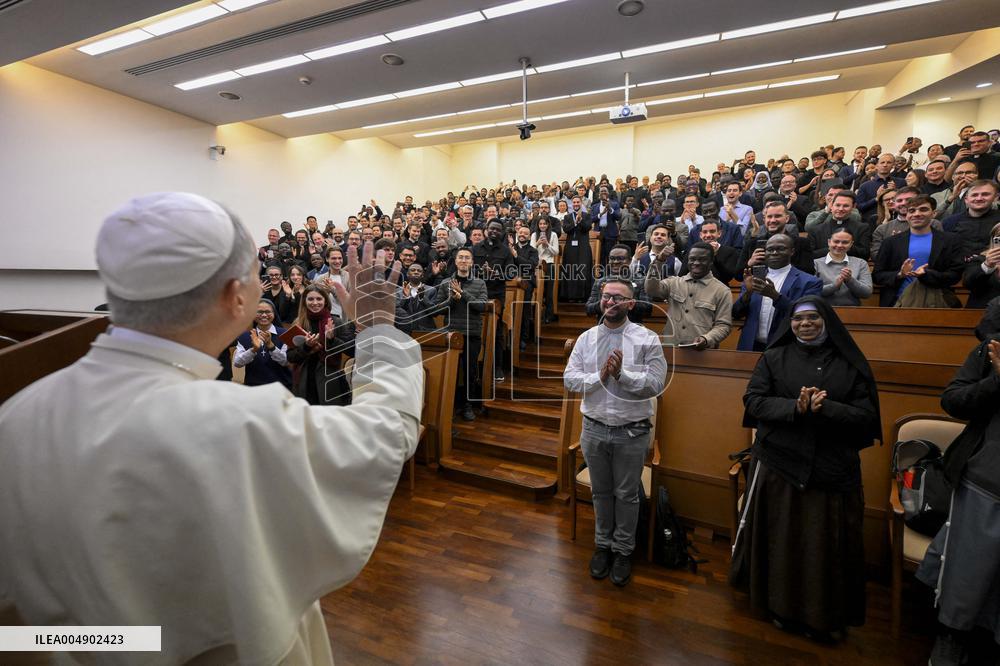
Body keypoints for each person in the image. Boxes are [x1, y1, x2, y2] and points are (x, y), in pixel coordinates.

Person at [0, 192, 421, 665]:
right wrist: (379, 325)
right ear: (235, 295)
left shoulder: (14, 417)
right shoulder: (242, 421)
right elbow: (388, 430)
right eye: (259, 277)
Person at [733, 296, 880, 641]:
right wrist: (795, 408)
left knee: (823, 545)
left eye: (813, 318)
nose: (805, 324)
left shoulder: (849, 363)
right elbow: (753, 401)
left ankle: (824, 617)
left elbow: (866, 416)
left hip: (831, 467)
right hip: (779, 463)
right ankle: (779, 607)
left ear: (826, 321)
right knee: (781, 540)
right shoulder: (773, 357)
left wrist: (825, 408)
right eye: (799, 319)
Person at [563, 278, 667, 587]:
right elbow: (570, 380)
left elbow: (656, 384)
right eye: (607, 297)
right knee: (601, 493)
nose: (611, 302)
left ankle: (623, 550)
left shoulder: (647, 339)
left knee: (626, 496)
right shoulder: (586, 338)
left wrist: (622, 375)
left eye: (618, 298)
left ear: (630, 304)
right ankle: (602, 546)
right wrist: (601, 375)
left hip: (631, 432)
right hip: (594, 429)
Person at [916, 301, 1000, 665]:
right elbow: (954, 400)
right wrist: (998, 380)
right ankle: (952, 639)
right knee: (966, 580)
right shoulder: (992, 350)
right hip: (988, 480)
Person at [732, 234, 823, 351]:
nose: (774, 252)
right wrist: (748, 294)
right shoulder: (753, 278)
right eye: (770, 249)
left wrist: (774, 296)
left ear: (792, 251)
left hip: (786, 347)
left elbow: (806, 317)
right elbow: (736, 314)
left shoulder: (810, 282)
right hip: (751, 345)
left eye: (781, 248)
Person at [872, 195, 964, 307]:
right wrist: (900, 274)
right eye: (911, 211)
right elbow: (877, 276)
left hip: (939, 301)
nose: (917, 214)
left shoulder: (951, 240)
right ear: (907, 216)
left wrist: (927, 274)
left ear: (933, 214)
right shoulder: (890, 242)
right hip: (897, 303)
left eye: (923, 209)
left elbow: (955, 275)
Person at [432, 247, 488, 421]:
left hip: (471, 334)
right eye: (461, 258)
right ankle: (451, 405)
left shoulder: (479, 283)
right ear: (455, 262)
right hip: (452, 334)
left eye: (467, 258)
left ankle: (467, 405)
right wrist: (451, 300)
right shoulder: (445, 282)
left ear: (471, 262)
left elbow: (482, 306)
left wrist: (462, 293)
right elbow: (437, 310)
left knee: (470, 372)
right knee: (451, 372)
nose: (464, 261)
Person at [644, 242, 733, 348]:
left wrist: (707, 339)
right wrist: (659, 261)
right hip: (671, 350)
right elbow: (651, 290)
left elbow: (724, 325)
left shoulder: (722, 291)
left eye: (702, 259)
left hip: (702, 354)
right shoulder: (674, 283)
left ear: (711, 262)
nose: (696, 262)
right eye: (692, 259)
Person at [286, 285, 356, 406]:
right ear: (304, 301)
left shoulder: (336, 322)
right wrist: (306, 347)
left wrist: (332, 339)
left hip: (331, 382)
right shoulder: (298, 323)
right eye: (310, 299)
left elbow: (351, 351)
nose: (315, 303)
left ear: (325, 301)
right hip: (304, 382)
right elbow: (290, 357)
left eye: (319, 299)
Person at [233, 298, 292, 389]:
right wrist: (253, 350)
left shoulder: (285, 333)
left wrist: (271, 347)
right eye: (260, 312)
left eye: (268, 312)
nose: (264, 315)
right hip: (254, 386)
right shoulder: (244, 336)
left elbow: (286, 361)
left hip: (281, 386)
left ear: (274, 314)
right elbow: (237, 363)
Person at [586, 245, 653, 324]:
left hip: (632, 329)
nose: (615, 262)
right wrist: (604, 301)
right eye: (612, 258)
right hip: (605, 329)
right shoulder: (600, 281)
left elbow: (648, 309)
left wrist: (624, 302)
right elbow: (588, 309)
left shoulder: (641, 280)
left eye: (620, 258)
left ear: (629, 261)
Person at [813, 229, 873, 306]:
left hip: (853, 311)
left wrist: (850, 280)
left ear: (851, 244)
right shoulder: (815, 263)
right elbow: (812, 291)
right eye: (836, 241)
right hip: (823, 311)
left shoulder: (860, 263)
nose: (840, 245)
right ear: (829, 242)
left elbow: (867, 293)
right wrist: (834, 286)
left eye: (845, 242)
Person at [559, 196, 594, 302]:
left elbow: (587, 227)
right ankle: (571, 296)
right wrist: (575, 223)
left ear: (581, 203)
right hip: (570, 247)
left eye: (578, 202)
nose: (576, 204)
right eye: (574, 202)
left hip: (583, 247)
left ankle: (582, 296)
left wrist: (580, 220)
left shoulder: (586, 216)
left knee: (583, 270)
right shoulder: (568, 217)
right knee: (570, 270)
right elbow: (566, 229)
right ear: (571, 204)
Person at [961, 221, 1000, 308]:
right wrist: (987, 265)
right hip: (981, 312)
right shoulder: (978, 259)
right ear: (993, 240)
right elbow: (968, 283)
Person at [532, 216, 560, 324]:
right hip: (537, 265)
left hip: (549, 265)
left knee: (549, 292)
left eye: (544, 224)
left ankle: (549, 315)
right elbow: (530, 250)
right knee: (538, 291)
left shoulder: (553, 235)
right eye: (540, 224)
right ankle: (536, 316)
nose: (542, 226)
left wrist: (547, 244)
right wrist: (538, 243)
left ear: (548, 225)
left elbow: (556, 252)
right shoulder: (534, 235)